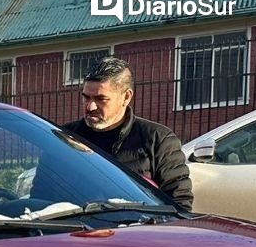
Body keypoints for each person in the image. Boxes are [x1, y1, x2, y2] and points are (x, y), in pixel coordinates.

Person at [63, 57, 193, 209]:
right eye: (86, 97)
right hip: (73, 229)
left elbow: (179, 205)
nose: (90, 107)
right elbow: (43, 195)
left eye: (101, 99)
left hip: (135, 229)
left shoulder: (158, 139)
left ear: (126, 97)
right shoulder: (65, 137)